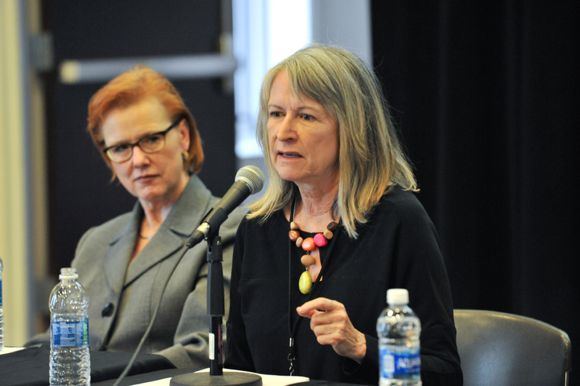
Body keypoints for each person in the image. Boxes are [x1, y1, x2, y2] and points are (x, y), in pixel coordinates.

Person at [225, 45, 463, 385]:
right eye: (276, 113)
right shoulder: (257, 227)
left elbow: (444, 373)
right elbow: (240, 366)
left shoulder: (398, 221)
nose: (284, 131)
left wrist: (360, 345)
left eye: (306, 116)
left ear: (352, 128)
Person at [27, 66, 244, 369]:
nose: (138, 160)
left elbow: (202, 350)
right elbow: (57, 343)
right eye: (120, 148)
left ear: (183, 136)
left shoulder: (228, 227)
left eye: (151, 139)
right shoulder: (96, 241)